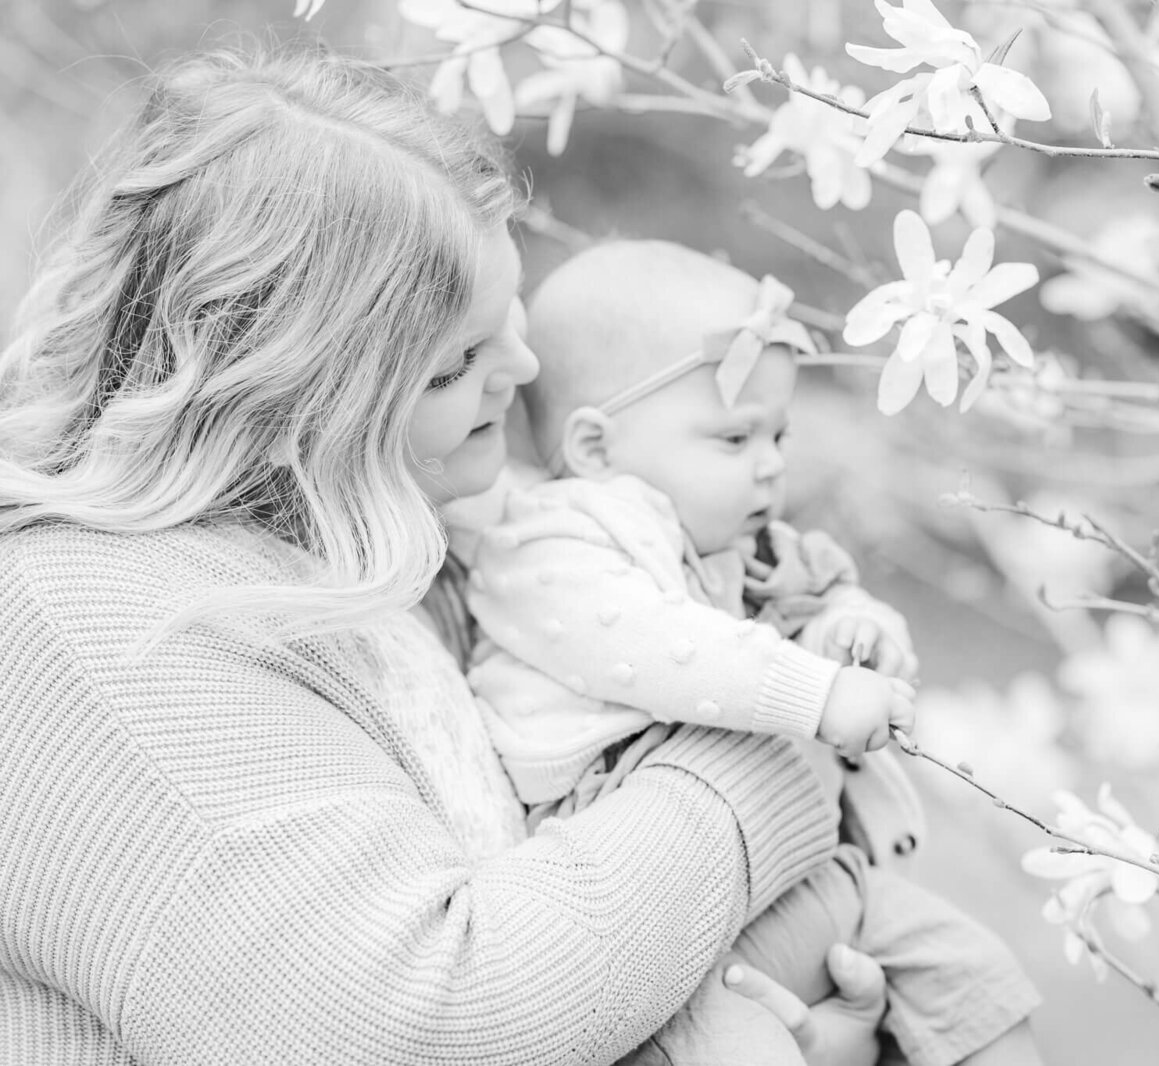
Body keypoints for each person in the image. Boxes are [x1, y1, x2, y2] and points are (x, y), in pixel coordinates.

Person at [0, 46, 883, 1065]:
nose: (525, 367)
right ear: (298, 401)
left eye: (506, 317)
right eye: (456, 362)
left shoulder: (387, 544)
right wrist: (767, 751)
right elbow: (429, 1017)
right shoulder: (101, 640)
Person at [448, 239, 1044, 1066]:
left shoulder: (738, 543)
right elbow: (664, 648)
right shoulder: (555, 544)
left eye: (779, 436)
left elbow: (815, 598)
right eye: (734, 440)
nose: (771, 468)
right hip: (661, 927)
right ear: (594, 448)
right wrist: (818, 692)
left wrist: (850, 631)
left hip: (805, 882)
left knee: (977, 982)